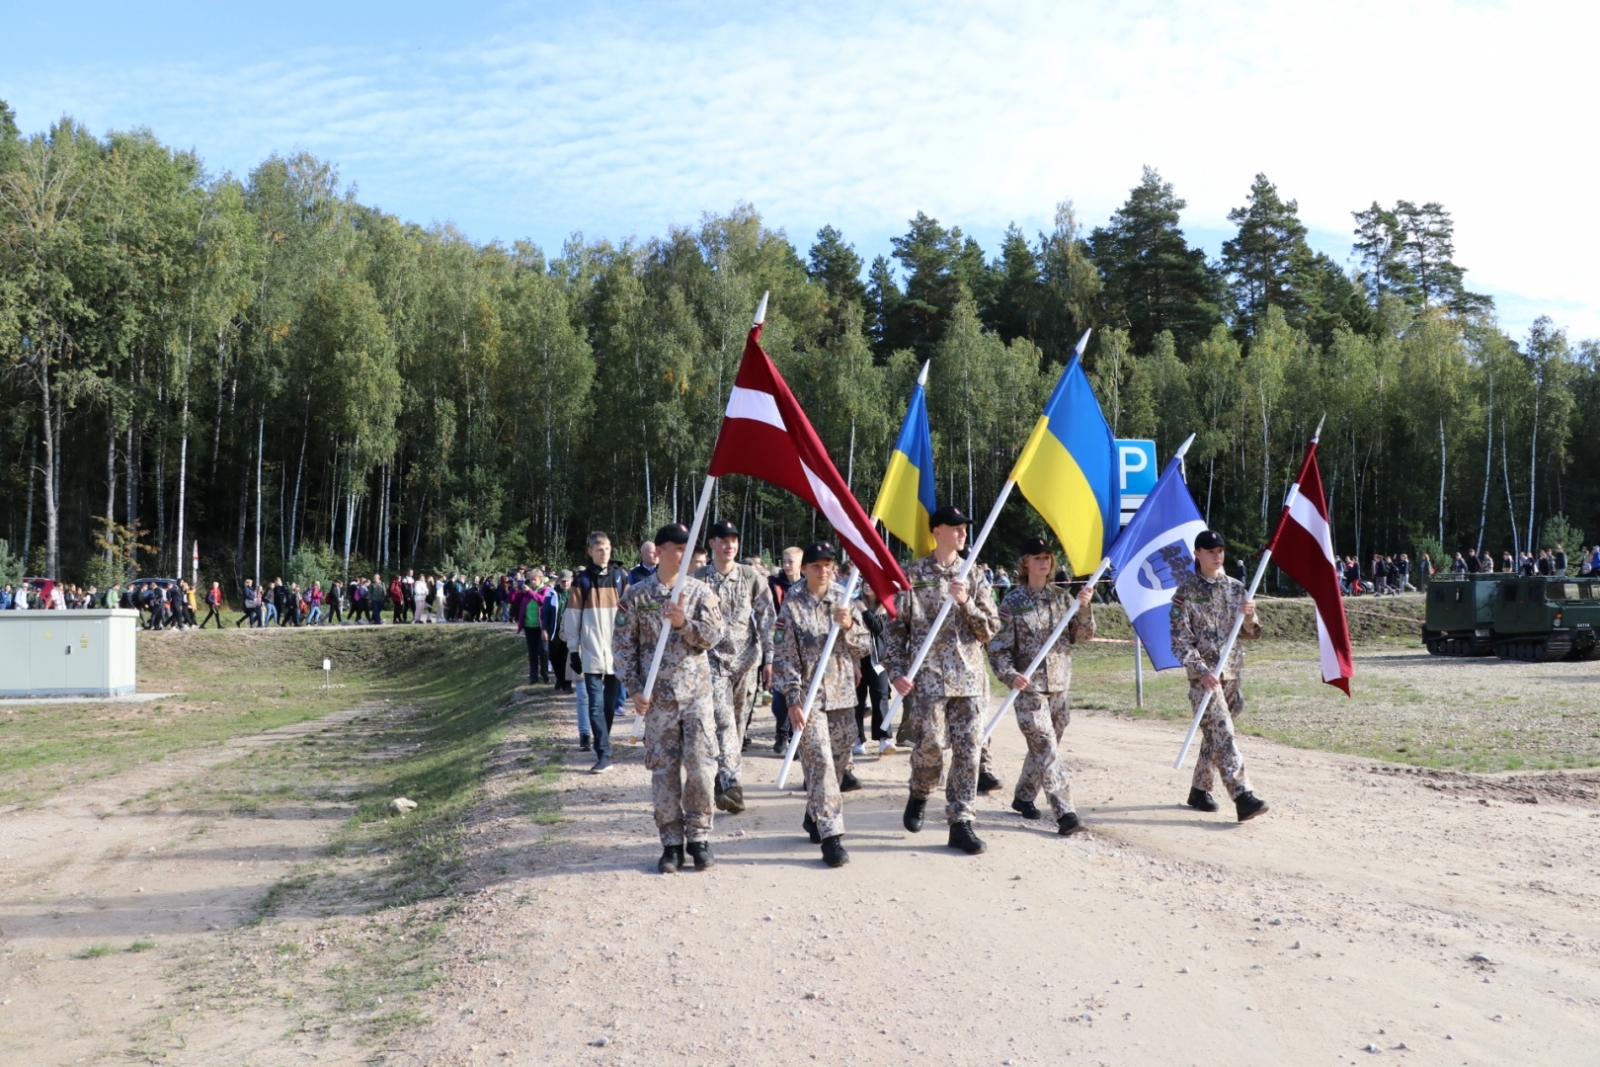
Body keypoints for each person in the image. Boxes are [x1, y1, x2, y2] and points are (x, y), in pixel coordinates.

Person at [886, 505, 1003, 856]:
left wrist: (965, 602)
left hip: (968, 678)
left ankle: (961, 821)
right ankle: (920, 792)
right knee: (931, 747)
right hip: (929, 679)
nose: (963, 532)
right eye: (955, 527)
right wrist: (896, 671)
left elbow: (989, 629)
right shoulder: (912, 574)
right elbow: (896, 630)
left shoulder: (975, 575)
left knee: (968, 751)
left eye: (965, 527)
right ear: (937, 531)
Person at [612, 522, 726, 873]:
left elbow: (714, 636)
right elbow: (622, 647)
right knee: (663, 773)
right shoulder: (637, 596)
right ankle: (671, 844)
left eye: (686, 547)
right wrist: (632, 688)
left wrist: (683, 624)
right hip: (658, 700)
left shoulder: (700, 592)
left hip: (696, 698)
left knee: (702, 770)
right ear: (659, 551)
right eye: (677, 547)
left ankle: (699, 839)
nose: (683, 553)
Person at [988, 537, 1095, 836]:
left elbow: (1083, 636)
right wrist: (1010, 675)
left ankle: (1024, 796)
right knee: (1046, 747)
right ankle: (1065, 812)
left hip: (1060, 686)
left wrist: (1084, 608)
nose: (1043, 562)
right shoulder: (1012, 602)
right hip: (1029, 688)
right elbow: (997, 647)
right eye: (1036, 557)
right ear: (1025, 563)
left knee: (1046, 744)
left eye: (1047, 556)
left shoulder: (1063, 598)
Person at [772, 541, 870, 868]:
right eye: (817, 565)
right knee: (822, 764)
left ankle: (815, 811)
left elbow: (864, 647)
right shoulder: (792, 604)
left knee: (838, 763)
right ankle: (832, 838)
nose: (824, 570)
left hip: (842, 697)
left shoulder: (844, 600)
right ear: (805, 569)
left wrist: (849, 627)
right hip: (809, 699)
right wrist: (793, 700)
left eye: (828, 565)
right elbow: (784, 656)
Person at [1171, 530, 1268, 822]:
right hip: (1205, 680)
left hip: (1233, 675)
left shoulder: (1237, 589)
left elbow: (1253, 634)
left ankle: (1200, 790)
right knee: (1223, 733)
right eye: (1210, 550)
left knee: (1216, 736)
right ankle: (1243, 795)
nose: (1217, 555)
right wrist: (1201, 672)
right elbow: (1179, 642)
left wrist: (1250, 615)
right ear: (1197, 554)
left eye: (1220, 550)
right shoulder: (1185, 592)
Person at [694, 520, 776, 815]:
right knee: (724, 722)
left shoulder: (751, 577)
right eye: (723, 540)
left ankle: (723, 774)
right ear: (712, 544)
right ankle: (733, 787)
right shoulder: (699, 579)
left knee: (738, 726)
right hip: (713, 662)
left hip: (746, 662)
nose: (730, 545)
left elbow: (768, 620)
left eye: (734, 540)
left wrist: (769, 660)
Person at [563, 531, 630, 770]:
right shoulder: (582, 581)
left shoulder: (621, 577)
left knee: (609, 705)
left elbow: (631, 615)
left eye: (608, 549)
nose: (604, 553)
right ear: (590, 552)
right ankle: (604, 753)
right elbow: (572, 617)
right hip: (591, 650)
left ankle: (604, 741)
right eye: (600, 549)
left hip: (616, 652)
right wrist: (573, 651)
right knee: (594, 703)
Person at [768, 546, 804, 753]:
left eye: (791, 561)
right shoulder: (774, 583)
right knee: (779, 695)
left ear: (801, 563)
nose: (787, 565)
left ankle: (793, 735)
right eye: (784, 560)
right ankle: (781, 733)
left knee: (798, 693)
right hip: (779, 642)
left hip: (801, 646)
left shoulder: (806, 585)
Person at [855, 584, 893, 756]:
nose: (869, 585)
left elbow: (878, 628)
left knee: (880, 697)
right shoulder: (853, 604)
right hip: (857, 659)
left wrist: (864, 611)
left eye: (872, 582)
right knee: (857, 701)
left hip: (878, 661)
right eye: (865, 582)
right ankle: (858, 738)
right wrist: (859, 609)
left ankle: (884, 739)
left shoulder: (884, 607)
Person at [545, 570, 574, 691]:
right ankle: (559, 677)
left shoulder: (575, 593)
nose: (565, 584)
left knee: (567, 657)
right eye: (563, 581)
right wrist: (544, 629)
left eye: (567, 581)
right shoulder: (552, 593)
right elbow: (545, 613)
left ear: (571, 581)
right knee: (553, 656)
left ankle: (567, 684)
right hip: (555, 630)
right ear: (558, 581)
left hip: (570, 629)